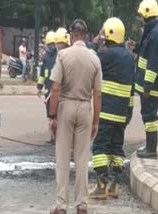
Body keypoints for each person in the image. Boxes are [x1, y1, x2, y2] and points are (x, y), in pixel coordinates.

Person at [49, 19, 102, 214]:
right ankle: (82, 204)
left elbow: (55, 89)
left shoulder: (63, 55)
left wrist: (53, 117)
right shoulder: (94, 59)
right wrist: (96, 121)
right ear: (86, 36)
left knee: (63, 157)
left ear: (71, 36)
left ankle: (61, 205)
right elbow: (97, 94)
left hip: (66, 106)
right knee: (82, 158)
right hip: (85, 107)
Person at [88, 17, 135, 200]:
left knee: (100, 147)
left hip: (106, 111)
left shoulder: (105, 55)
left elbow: (89, 58)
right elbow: (131, 89)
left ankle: (101, 186)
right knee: (116, 148)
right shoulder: (129, 58)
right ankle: (114, 186)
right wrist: (128, 112)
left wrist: (94, 43)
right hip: (122, 112)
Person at [135, 0, 158, 158]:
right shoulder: (152, 32)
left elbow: (153, 63)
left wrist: (147, 85)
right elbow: (145, 53)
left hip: (150, 87)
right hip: (147, 86)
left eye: (142, 15)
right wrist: (135, 47)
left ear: (147, 14)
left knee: (150, 116)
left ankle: (151, 149)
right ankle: (149, 147)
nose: (140, 18)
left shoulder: (155, 35)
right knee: (147, 115)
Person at [37, 31, 57, 144]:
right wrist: (39, 87)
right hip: (48, 91)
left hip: (55, 90)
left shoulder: (59, 56)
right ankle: (53, 137)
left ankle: (56, 136)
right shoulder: (46, 58)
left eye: (52, 44)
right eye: (49, 45)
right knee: (51, 115)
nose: (51, 47)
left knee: (55, 115)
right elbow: (42, 74)